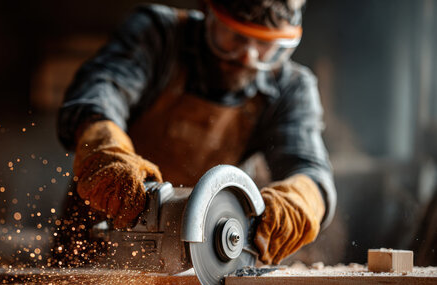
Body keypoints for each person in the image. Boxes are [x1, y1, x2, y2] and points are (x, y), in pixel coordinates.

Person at [55, 0, 336, 266]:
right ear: (207, 11)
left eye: (265, 44)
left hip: (205, 245)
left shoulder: (292, 87)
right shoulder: (158, 34)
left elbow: (309, 167)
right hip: (103, 229)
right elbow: (101, 90)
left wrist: (302, 199)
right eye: (235, 37)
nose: (248, 56)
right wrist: (106, 149)